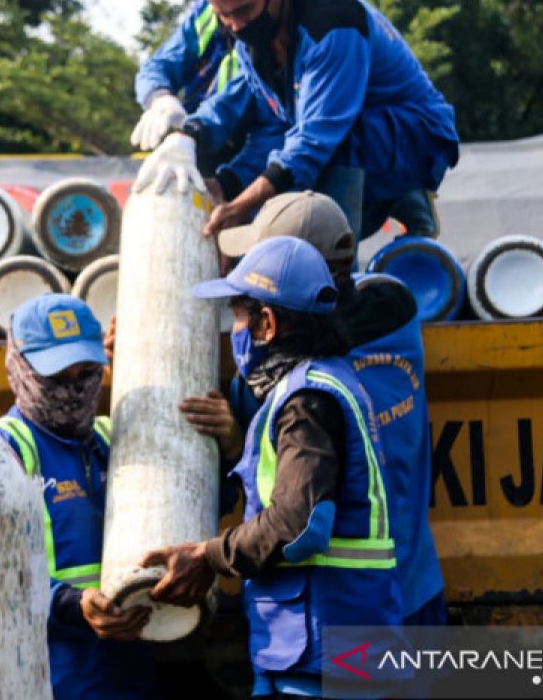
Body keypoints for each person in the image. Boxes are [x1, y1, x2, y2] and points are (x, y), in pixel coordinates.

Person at [144, 235, 404, 697]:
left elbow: (298, 525)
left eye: (239, 316)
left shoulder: (305, 402)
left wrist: (209, 555)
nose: (235, 330)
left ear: (266, 323)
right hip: (319, 642)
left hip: (325, 650)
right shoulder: (322, 383)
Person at [185, 191, 447, 629]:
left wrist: (238, 437)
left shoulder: (282, 384)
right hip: (416, 589)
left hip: (340, 611)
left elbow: (292, 509)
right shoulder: (396, 310)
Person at [134, 0, 459, 249]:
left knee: (312, 211)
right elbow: (257, 118)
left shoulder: (334, 27)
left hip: (413, 136)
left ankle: (339, 271)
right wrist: (193, 144)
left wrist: (239, 207)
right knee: (272, 178)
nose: (236, 26)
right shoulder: (254, 39)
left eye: (244, 10)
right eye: (224, 15)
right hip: (333, 135)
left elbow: (315, 140)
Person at [0, 294, 155, 700]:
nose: (74, 389)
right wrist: (68, 603)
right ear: (19, 367)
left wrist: (225, 443)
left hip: (129, 667)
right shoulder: (2, 451)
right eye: (58, 375)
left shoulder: (112, 439)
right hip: (50, 672)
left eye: (86, 373)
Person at [131, 0, 295, 197]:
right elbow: (160, 64)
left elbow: (272, 131)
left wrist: (227, 184)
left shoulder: (282, 40)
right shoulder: (207, 14)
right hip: (194, 139)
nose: (232, 19)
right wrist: (161, 99)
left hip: (247, 155)